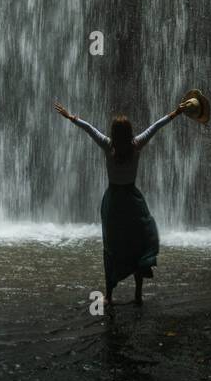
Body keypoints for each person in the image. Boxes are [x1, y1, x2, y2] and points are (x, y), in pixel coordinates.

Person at [53, 99, 188, 305]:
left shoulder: (108, 145)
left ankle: (108, 295)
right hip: (133, 201)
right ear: (130, 132)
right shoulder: (137, 144)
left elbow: (89, 129)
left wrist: (70, 117)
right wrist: (176, 113)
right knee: (138, 246)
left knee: (112, 247)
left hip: (114, 202)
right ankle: (138, 295)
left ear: (114, 133)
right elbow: (156, 127)